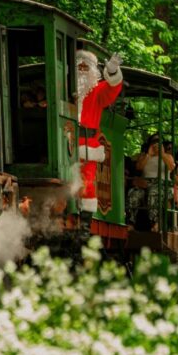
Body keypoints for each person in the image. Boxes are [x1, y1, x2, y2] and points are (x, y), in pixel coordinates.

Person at [76, 50, 123, 228]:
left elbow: (112, 89)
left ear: (93, 70)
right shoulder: (62, 86)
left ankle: (85, 226)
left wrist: (112, 72)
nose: (82, 70)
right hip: (66, 140)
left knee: (87, 184)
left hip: (88, 145)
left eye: (85, 66)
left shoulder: (97, 91)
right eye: (79, 66)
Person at [134, 134, 175, 229]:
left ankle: (155, 223)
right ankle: (131, 223)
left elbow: (171, 167)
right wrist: (149, 154)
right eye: (154, 142)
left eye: (158, 142)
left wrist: (162, 154)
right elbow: (139, 167)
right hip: (146, 184)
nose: (156, 144)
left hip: (163, 185)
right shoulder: (144, 156)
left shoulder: (168, 156)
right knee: (134, 193)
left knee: (153, 192)